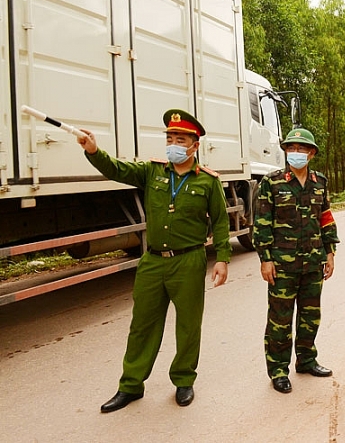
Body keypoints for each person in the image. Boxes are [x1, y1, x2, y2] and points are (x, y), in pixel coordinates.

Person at [77, 109, 231, 413]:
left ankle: (184, 380)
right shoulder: (152, 171)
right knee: (142, 326)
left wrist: (223, 258)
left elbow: (221, 221)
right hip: (152, 262)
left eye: (180, 139)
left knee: (188, 326)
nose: (173, 143)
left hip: (188, 261)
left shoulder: (208, 182)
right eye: (170, 138)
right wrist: (94, 151)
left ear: (194, 145)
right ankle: (131, 385)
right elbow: (116, 170)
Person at [253, 127, 339, 394]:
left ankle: (306, 360)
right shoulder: (272, 182)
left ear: (311, 153)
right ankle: (278, 370)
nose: (296, 153)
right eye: (291, 148)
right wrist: (265, 259)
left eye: (302, 149)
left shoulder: (319, 182)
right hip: (282, 264)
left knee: (310, 316)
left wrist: (330, 252)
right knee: (280, 319)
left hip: (313, 262)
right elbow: (262, 224)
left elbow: (325, 217)